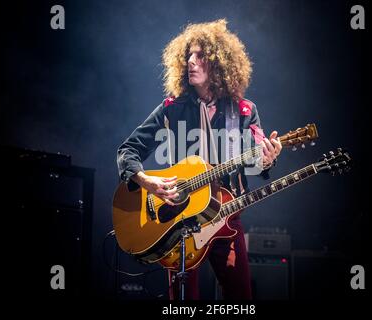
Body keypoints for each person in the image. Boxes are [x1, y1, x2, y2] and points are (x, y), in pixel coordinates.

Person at [117, 19, 282, 300]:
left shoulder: (244, 111)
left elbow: (255, 160)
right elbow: (128, 151)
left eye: (200, 56)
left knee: (241, 298)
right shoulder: (172, 107)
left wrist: (267, 159)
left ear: (219, 63)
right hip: (181, 221)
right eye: (189, 55)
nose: (191, 61)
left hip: (227, 217)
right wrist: (147, 181)